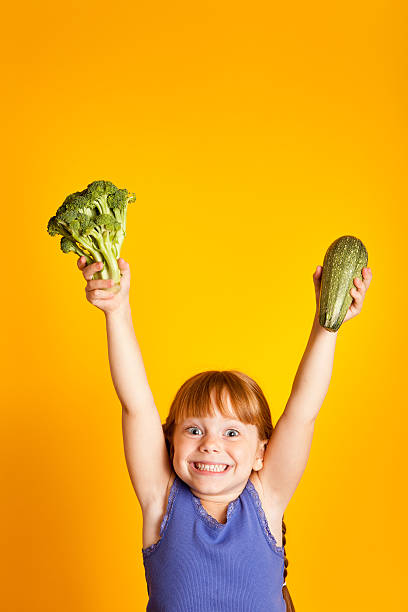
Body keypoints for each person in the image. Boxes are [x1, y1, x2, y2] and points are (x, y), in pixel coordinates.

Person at [77, 255, 372, 611]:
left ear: (262, 452)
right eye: (195, 429)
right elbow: (135, 404)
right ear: (169, 442)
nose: (211, 444)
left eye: (232, 433)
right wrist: (117, 310)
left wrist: (327, 326)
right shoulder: (161, 500)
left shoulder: (266, 499)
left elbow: (303, 410)